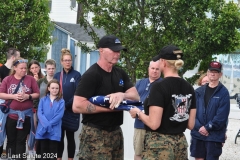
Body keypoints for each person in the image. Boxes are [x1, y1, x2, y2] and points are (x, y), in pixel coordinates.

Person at [72, 35, 140, 160]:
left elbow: (135, 97)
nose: (117, 54)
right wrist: (111, 108)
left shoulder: (120, 73)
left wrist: (122, 94)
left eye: (119, 51)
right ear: (101, 50)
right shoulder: (92, 75)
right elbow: (77, 105)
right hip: (95, 134)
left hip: (116, 133)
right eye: (114, 50)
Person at [129, 45, 196, 160]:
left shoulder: (158, 87)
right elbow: (190, 125)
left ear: (164, 62)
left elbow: (154, 124)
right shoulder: (189, 87)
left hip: (160, 147)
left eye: (159, 60)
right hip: (180, 145)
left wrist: (138, 113)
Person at [0, 58, 40, 159]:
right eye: (21, 68)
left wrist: (28, 96)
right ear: (15, 68)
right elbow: (1, 94)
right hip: (11, 116)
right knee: (11, 140)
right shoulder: (7, 79)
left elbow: (37, 94)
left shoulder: (30, 79)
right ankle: (10, 158)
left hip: (25, 116)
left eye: (25, 68)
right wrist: (13, 96)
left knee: (21, 141)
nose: (24, 70)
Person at [190, 61, 230, 160]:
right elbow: (191, 112)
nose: (213, 73)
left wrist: (207, 128)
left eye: (216, 72)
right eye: (211, 71)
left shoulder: (224, 93)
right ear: (207, 73)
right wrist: (199, 127)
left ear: (220, 74)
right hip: (198, 134)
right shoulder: (198, 92)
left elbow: (222, 116)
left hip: (214, 136)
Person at [54, 48, 81, 160]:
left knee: (70, 138)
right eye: (65, 60)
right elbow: (53, 92)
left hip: (71, 111)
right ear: (61, 62)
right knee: (59, 138)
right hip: (59, 112)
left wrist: (66, 105)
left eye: (69, 60)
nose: (67, 62)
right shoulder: (57, 76)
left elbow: (77, 93)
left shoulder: (77, 75)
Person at [133, 60, 162, 160]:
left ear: (161, 70)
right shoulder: (140, 83)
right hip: (140, 125)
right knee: (138, 154)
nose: (154, 71)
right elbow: (132, 100)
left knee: (155, 156)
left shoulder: (163, 84)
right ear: (148, 69)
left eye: (157, 69)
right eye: (152, 68)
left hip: (156, 127)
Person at [35, 79, 65, 160]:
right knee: (42, 153)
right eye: (53, 88)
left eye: (56, 88)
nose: (54, 90)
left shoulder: (61, 101)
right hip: (42, 130)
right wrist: (46, 125)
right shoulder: (43, 99)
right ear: (48, 88)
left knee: (52, 154)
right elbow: (40, 114)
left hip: (54, 131)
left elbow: (59, 115)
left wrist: (48, 125)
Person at [34, 59, 57, 159]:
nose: (51, 70)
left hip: (54, 116)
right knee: (41, 141)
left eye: (52, 68)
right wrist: (36, 113)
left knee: (52, 143)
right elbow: (36, 98)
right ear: (45, 69)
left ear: (55, 69)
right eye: (49, 68)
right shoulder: (40, 82)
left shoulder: (57, 82)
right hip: (41, 116)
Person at [0, 48, 20, 157]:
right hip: (3, 107)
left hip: (15, 107)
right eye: (18, 57)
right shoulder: (1, 70)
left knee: (12, 136)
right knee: (1, 134)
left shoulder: (17, 71)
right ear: (13, 57)